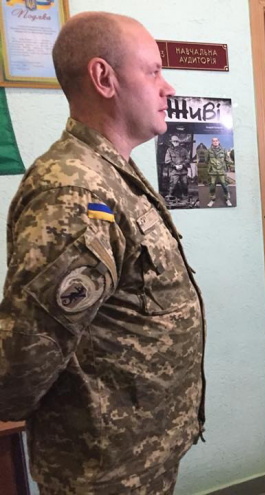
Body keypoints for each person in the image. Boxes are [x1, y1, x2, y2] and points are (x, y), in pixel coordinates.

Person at [0, 12, 205, 495]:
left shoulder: (112, 173)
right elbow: (25, 355)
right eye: (153, 71)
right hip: (102, 469)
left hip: (140, 454)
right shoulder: (75, 191)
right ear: (104, 78)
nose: (168, 87)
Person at [206, 136, 233, 207]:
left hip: (221, 171)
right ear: (212, 142)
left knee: (225, 186)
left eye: (216, 141)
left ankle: (227, 199)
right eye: (213, 141)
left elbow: (227, 160)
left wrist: (229, 166)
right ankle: (212, 200)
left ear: (219, 142)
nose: (215, 142)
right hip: (213, 172)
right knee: (212, 187)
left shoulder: (223, 150)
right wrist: (211, 167)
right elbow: (206, 160)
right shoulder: (208, 150)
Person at [165, 134, 191, 202]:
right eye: (174, 141)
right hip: (174, 171)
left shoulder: (184, 150)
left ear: (179, 142)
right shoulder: (169, 150)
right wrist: (175, 166)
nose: (176, 142)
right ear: (172, 142)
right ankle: (171, 198)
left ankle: (186, 198)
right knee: (172, 185)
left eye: (177, 141)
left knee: (185, 185)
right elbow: (167, 160)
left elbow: (188, 159)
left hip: (183, 171)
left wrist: (182, 165)